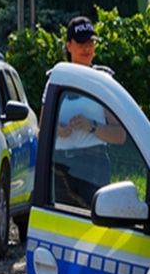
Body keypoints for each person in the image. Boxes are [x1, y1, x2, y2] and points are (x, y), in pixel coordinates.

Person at [52, 16, 126, 208]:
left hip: (94, 163)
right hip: (60, 166)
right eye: (81, 43)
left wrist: (92, 126)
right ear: (68, 46)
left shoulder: (104, 79)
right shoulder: (56, 78)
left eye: (91, 42)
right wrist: (58, 130)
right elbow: (42, 130)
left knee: (94, 227)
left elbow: (120, 135)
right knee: (62, 228)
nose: (87, 48)